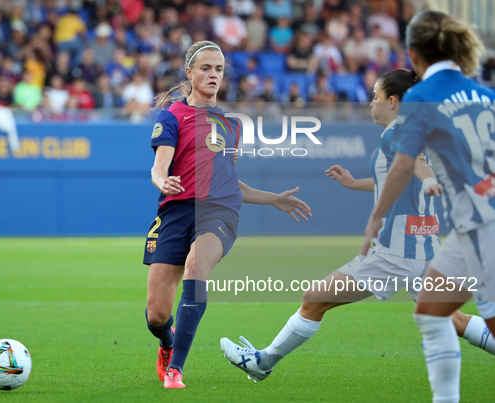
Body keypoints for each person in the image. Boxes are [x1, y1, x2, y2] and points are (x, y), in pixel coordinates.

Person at [221, 68, 495, 383]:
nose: (371, 104)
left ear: (392, 101)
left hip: (395, 253)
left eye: (375, 97)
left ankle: (262, 362)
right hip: (425, 248)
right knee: (454, 319)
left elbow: (415, 166)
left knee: (313, 299)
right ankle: (263, 361)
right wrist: (353, 184)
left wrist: (429, 178)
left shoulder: (398, 131)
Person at [144, 40, 312, 389]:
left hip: (218, 212)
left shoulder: (231, 126)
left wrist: (273, 199)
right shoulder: (173, 115)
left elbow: (229, 182)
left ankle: (176, 369)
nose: (213, 75)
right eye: (205, 68)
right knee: (156, 315)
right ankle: (167, 342)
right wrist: (165, 181)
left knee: (196, 266)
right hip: (175, 211)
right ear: (189, 73)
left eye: (219, 69)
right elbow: (158, 168)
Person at [362, 11, 495, 403]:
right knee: (431, 310)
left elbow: (404, 164)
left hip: (481, 224)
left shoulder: (421, 96)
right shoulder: (484, 92)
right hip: (471, 224)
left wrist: (375, 217)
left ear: (413, 54)